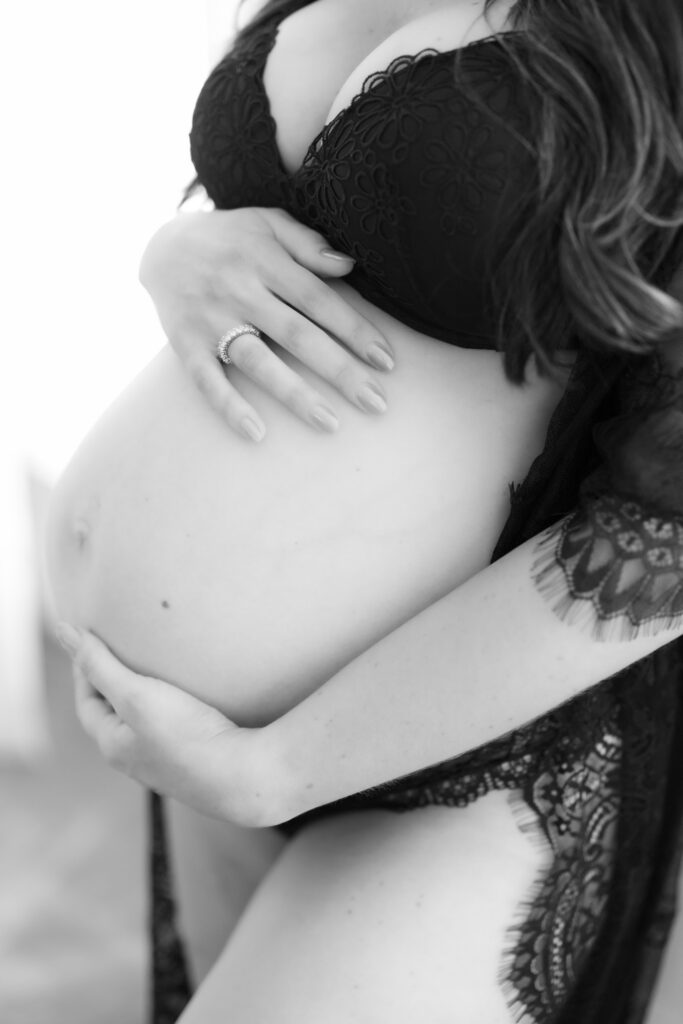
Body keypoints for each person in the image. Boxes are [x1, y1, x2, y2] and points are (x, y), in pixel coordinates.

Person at [47, 0, 683, 1021]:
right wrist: (174, 254)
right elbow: (330, 238)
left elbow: (665, 523)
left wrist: (271, 771)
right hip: (203, 734)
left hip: (458, 744)